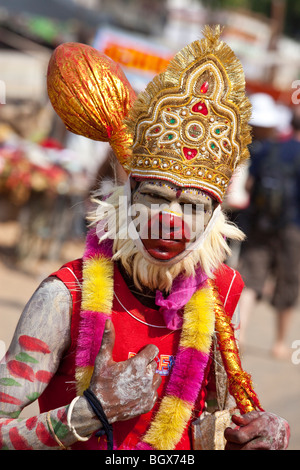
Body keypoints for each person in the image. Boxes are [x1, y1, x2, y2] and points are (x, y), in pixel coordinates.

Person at [0, 26, 290, 451]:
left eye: (192, 205)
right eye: (153, 197)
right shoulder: (65, 295)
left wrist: (256, 432)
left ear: (214, 217)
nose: (168, 222)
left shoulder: (223, 292)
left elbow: (217, 414)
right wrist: (89, 413)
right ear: (126, 198)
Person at [238, 94, 300, 359]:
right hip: (293, 227)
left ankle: (238, 334)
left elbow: (250, 186)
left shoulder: (268, 149)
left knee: (250, 279)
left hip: (260, 223)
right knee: (288, 282)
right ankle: (278, 343)